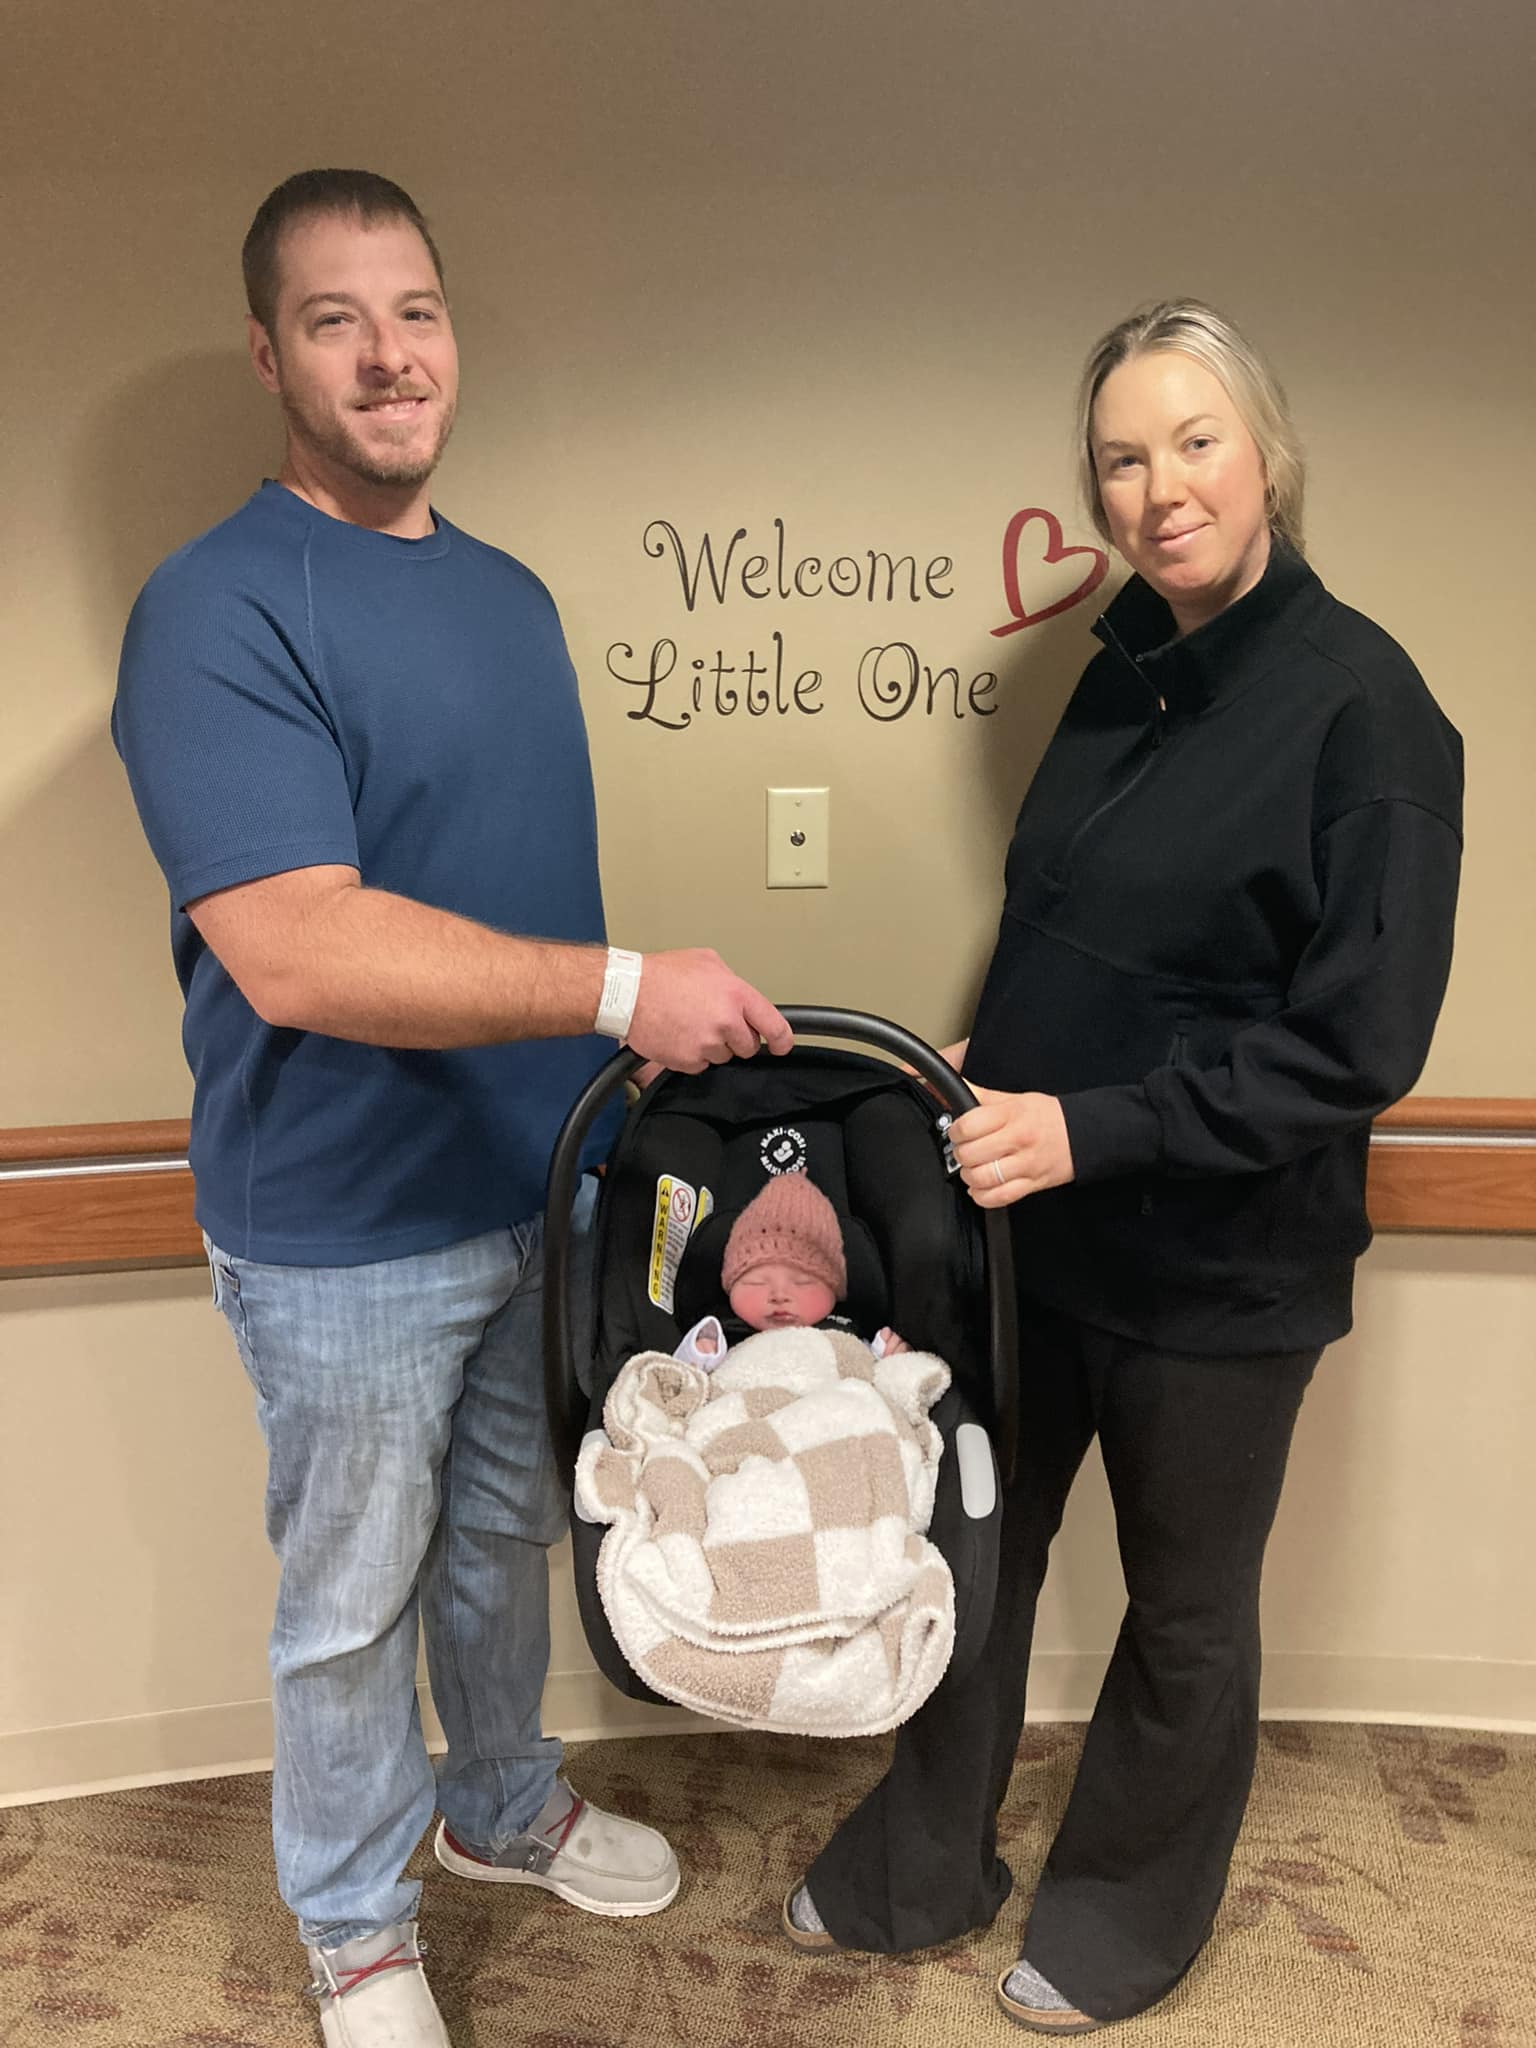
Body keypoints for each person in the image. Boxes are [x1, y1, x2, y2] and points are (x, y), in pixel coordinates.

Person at [112, 168, 791, 2048]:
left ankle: (498, 1800)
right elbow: (303, 953)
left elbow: (500, 896)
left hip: (538, 1188)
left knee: (505, 1540)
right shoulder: (214, 608)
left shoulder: (507, 597)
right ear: (271, 352)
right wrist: (617, 986)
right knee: (347, 1600)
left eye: (414, 309)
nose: (389, 353)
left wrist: (616, 1060)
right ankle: (353, 1917)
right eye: (338, 320)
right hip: (338, 1232)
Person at [782, 299, 1463, 2034]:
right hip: (1039, 1245)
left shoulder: (1369, 714)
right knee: (970, 1558)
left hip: (1224, 1275)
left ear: (1266, 455)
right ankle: (920, 1859)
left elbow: (1355, 1044)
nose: (1158, 489)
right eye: (1120, 458)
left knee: (1185, 1610)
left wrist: (1092, 1125)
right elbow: (1055, 955)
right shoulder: (1115, 675)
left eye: (1192, 442)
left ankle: (1122, 1908)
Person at [673, 1171, 909, 1364]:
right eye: (757, 1282)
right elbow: (678, 1380)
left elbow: (873, 1375)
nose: (779, 1296)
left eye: (802, 1282)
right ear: (730, 1285)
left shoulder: (844, 1330)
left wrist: (889, 1355)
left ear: (834, 1290)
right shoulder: (721, 1333)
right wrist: (697, 1354)